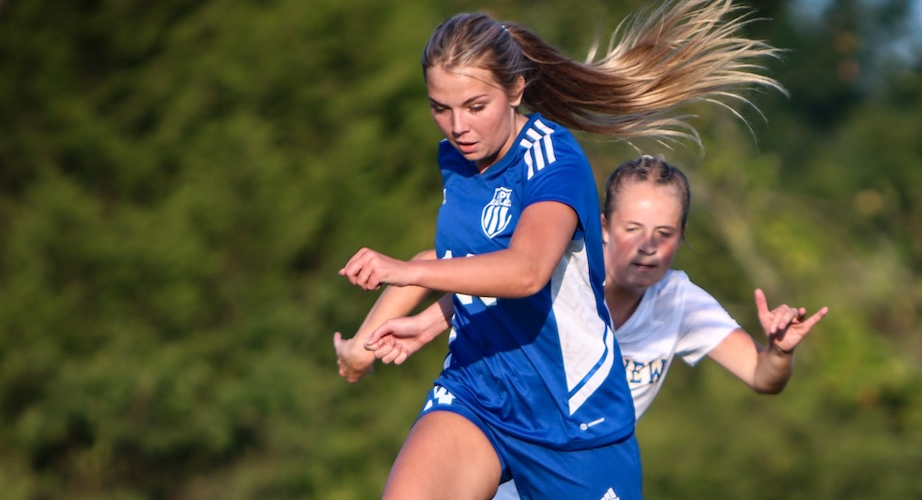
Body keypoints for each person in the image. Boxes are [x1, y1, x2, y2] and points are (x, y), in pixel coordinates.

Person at [334, 1, 782, 498]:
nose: (457, 126)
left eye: (475, 107)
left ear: (515, 90)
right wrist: (394, 335)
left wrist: (397, 270)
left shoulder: (555, 160)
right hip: (477, 393)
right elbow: (460, 265)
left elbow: (527, 271)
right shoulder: (457, 161)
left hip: (574, 422)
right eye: (441, 108)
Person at [341, 156, 827, 499]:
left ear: (681, 238)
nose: (648, 246)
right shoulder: (559, 266)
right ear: (603, 227)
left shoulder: (679, 301)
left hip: (583, 472)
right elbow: (437, 263)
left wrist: (779, 351)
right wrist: (363, 348)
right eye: (633, 229)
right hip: (503, 465)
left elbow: (762, 377)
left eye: (665, 234)